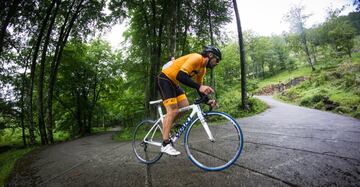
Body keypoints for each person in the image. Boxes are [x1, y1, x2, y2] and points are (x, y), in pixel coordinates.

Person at [156, 45, 221, 155]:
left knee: (185, 107)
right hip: (164, 79)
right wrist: (199, 87)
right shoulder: (196, 57)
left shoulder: (202, 69)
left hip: (174, 83)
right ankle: (165, 144)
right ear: (210, 55)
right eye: (217, 59)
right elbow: (181, 76)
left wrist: (207, 100)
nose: (217, 63)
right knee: (173, 110)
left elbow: (199, 88)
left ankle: (167, 126)